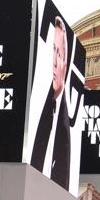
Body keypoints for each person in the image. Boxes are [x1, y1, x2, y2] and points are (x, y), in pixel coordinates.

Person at [30, 16, 71, 189]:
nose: (54, 61)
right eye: (53, 50)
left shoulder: (65, 128)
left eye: (59, 54)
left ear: (65, 64)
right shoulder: (36, 110)